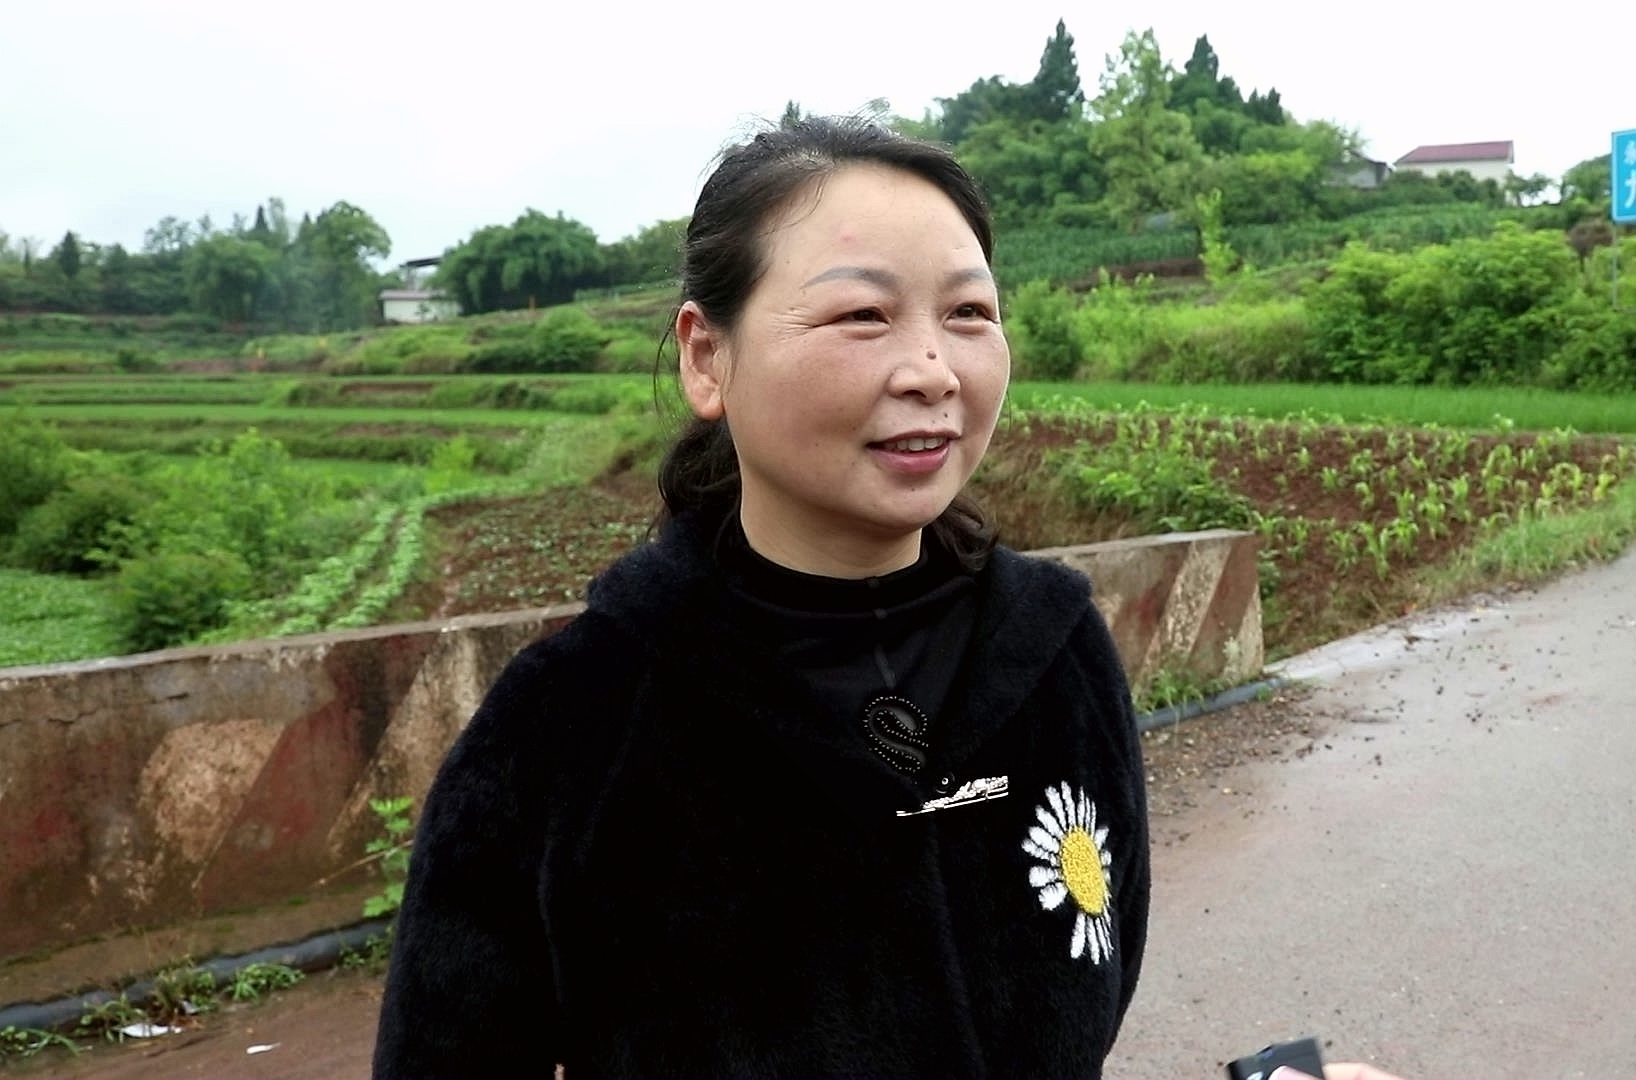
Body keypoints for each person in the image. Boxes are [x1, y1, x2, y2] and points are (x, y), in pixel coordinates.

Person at [371, 116, 1152, 1079]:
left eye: (969, 315)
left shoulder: (1059, 652)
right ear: (707, 357)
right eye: (863, 316)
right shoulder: (569, 726)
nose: (933, 371)